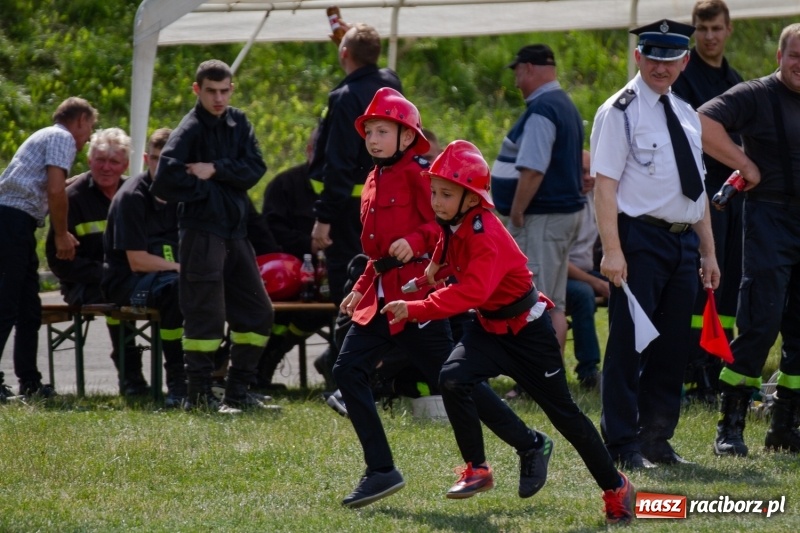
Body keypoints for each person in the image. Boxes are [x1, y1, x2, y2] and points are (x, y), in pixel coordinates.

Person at [382, 140, 633, 525]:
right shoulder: (456, 220)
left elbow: (471, 293)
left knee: (566, 417)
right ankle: (477, 468)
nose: (436, 201)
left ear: (472, 198)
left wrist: (414, 307)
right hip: (489, 328)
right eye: (434, 192)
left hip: (529, 334)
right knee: (452, 378)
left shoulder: (486, 235)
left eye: (446, 194)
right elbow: (447, 246)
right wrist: (432, 272)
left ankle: (616, 488)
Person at [590, 19, 719, 469]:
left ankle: (657, 439)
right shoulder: (619, 110)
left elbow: (696, 189)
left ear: (684, 61)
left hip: (682, 242)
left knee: (671, 347)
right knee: (628, 342)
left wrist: (708, 249)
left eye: (671, 60)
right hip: (638, 238)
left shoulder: (686, 113)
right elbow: (604, 186)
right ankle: (622, 444)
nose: (661, 68)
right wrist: (612, 250)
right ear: (639, 57)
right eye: (654, 59)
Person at [333, 87, 451, 508]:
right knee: (346, 371)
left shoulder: (423, 173)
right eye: (370, 131)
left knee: (456, 381)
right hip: (382, 302)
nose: (373, 138)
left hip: (419, 297)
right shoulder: (371, 180)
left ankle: (528, 444)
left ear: (407, 136)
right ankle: (381, 470)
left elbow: (445, 227)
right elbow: (377, 252)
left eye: (383, 130)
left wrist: (416, 240)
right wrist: (359, 289)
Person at [699, 23, 800, 455]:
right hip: (769, 218)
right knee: (761, 321)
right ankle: (731, 426)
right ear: (780, 57)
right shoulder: (756, 95)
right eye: (796, 56)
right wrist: (746, 165)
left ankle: (784, 427)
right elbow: (700, 121)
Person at [151, 59, 274, 412]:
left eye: (224, 91)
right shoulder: (188, 129)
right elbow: (166, 179)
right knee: (206, 314)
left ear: (232, 89)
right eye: (211, 91)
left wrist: (215, 170)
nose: (218, 98)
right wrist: (211, 191)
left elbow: (256, 168)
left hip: (236, 233)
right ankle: (200, 396)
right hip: (202, 232)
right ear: (197, 90)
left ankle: (238, 392)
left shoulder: (239, 122)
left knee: (258, 311)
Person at [490, 44, 586, 353]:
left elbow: (533, 169)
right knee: (553, 301)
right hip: (558, 217)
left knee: (537, 300)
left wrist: (517, 213)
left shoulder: (544, 109)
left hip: (542, 218)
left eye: (518, 73)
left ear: (529, 68)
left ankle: (541, 375)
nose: (516, 82)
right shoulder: (563, 104)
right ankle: (548, 372)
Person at [0, 96, 96, 400]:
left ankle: (29, 381)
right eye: (90, 128)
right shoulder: (61, 137)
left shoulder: (44, 136)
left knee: (29, 308)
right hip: (11, 223)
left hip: (17, 223)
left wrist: (84, 179)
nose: (88, 137)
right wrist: (62, 234)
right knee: (6, 303)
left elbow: (48, 185)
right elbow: (55, 190)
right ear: (80, 120)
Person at [671, 0, 744, 404]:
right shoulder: (682, 77)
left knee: (728, 284)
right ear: (694, 31)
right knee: (699, 284)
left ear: (729, 29)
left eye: (716, 28)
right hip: (695, 194)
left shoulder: (736, 79)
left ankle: (714, 365)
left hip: (735, 198)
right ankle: (688, 369)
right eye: (703, 29)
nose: (710, 36)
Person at [45, 127, 145, 396]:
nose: (106, 167)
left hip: (131, 277)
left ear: (125, 164)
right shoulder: (73, 199)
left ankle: (180, 380)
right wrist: (104, 272)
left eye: (114, 161)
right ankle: (131, 378)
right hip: (85, 283)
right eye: (100, 159)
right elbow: (58, 262)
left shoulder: (134, 194)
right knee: (116, 296)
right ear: (89, 161)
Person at [309, 22, 403, 306]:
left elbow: (339, 164)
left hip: (349, 212)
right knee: (383, 278)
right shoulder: (391, 83)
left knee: (350, 284)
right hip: (388, 202)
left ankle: (350, 345)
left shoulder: (346, 98)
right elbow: (366, 64)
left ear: (344, 54)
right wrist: (353, 44)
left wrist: (324, 219)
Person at [102, 128, 188, 407]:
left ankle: (219, 373)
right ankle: (177, 381)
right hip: (127, 281)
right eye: (155, 159)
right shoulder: (132, 197)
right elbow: (137, 261)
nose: (161, 167)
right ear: (146, 158)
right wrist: (180, 267)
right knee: (176, 290)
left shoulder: (183, 196)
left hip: (169, 276)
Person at [256, 126, 335, 391]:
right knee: (287, 316)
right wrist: (310, 245)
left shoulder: (345, 189)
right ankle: (264, 363)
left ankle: (333, 363)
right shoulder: (284, 185)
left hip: (333, 273)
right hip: (289, 277)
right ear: (309, 151)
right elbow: (271, 231)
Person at [566, 150, 608, 390]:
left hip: (585, 271)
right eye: (581, 172)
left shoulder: (595, 197)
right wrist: (597, 284)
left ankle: (625, 364)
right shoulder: (563, 204)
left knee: (626, 286)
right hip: (555, 275)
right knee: (583, 294)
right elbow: (557, 262)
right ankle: (589, 372)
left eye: (592, 171)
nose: (588, 177)